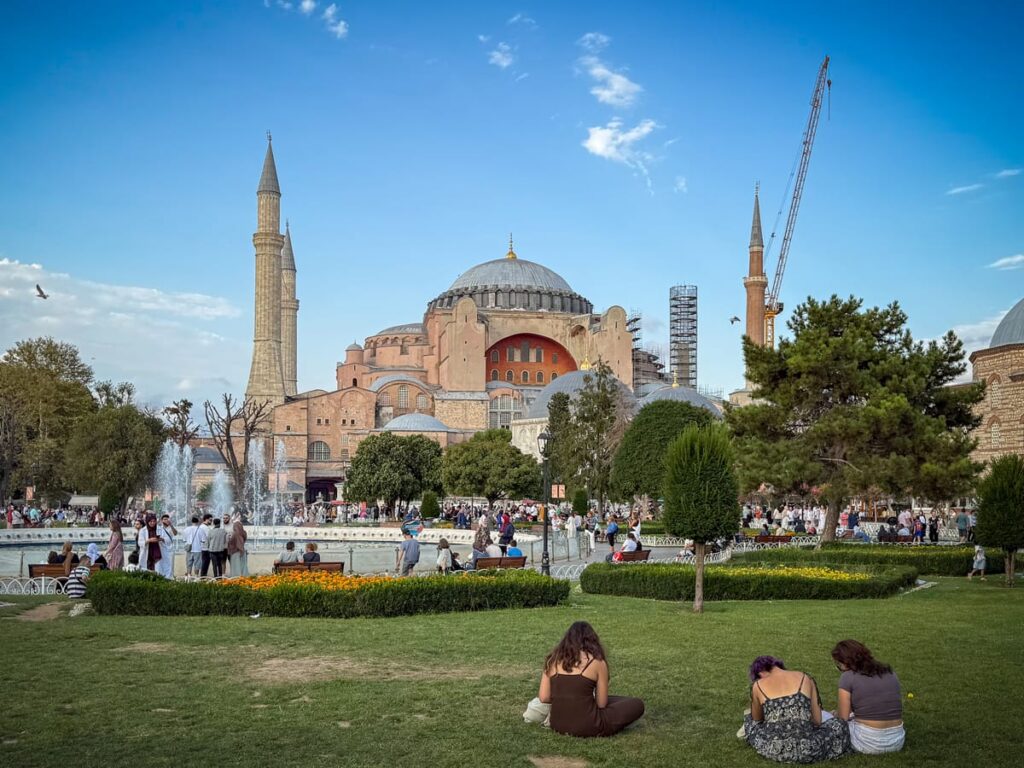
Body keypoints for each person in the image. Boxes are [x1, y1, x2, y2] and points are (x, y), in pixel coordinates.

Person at [537, 621, 644, 737]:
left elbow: (544, 697)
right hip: (589, 726)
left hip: (557, 724)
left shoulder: (552, 660)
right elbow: (601, 704)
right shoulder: (597, 662)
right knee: (637, 704)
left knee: (617, 700)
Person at [743, 655, 849, 762]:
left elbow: (756, 719)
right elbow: (817, 720)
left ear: (760, 673)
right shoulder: (805, 677)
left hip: (774, 749)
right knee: (839, 724)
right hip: (809, 749)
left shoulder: (758, 685)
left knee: (749, 718)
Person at [830, 640, 904, 754]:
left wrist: (834, 714)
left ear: (846, 662)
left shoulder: (848, 677)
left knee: (826, 721)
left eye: (840, 665)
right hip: (897, 740)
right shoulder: (890, 673)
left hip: (867, 742)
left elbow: (842, 719)